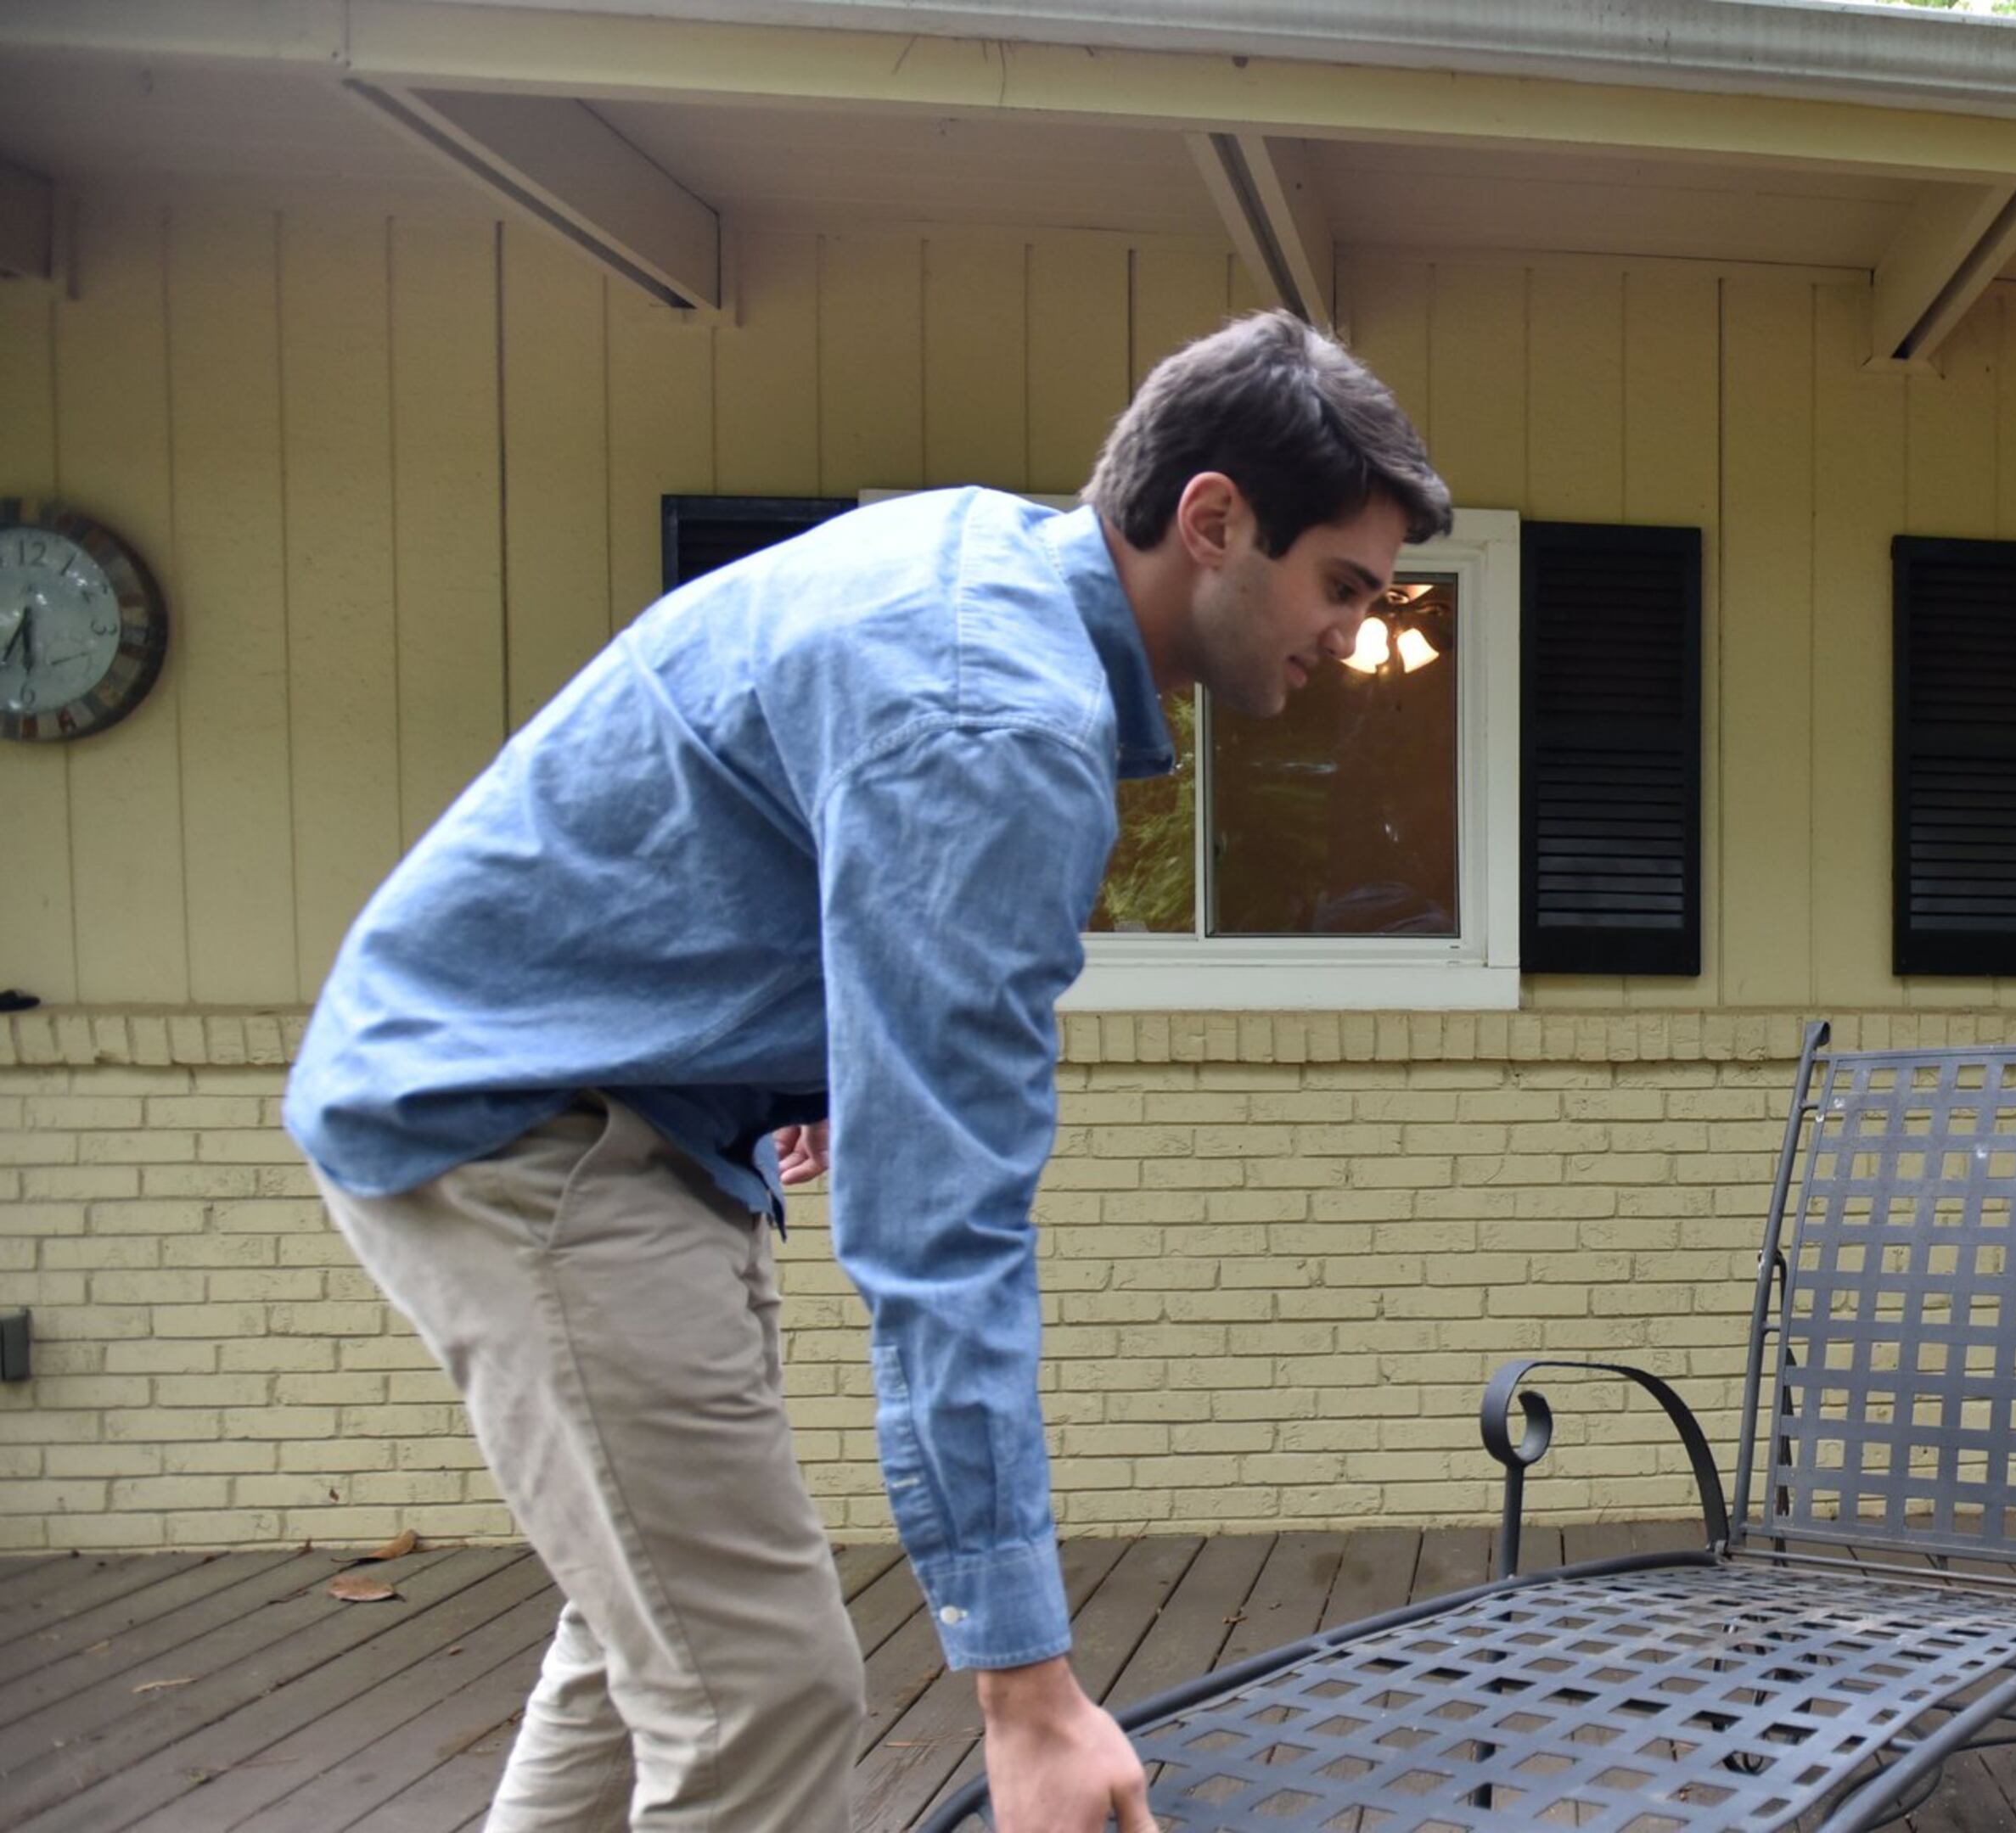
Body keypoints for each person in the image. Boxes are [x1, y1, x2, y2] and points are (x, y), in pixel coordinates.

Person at [284, 312, 1450, 1833]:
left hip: (595, 1105)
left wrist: (826, 1051)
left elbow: (762, 826)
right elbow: (940, 1228)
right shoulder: (1000, 719)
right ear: (1214, 520)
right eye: (1342, 588)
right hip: (522, 1132)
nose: (1353, 637)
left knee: (652, 1640)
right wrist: (1026, 1691)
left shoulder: (978, 565)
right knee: (761, 1688)